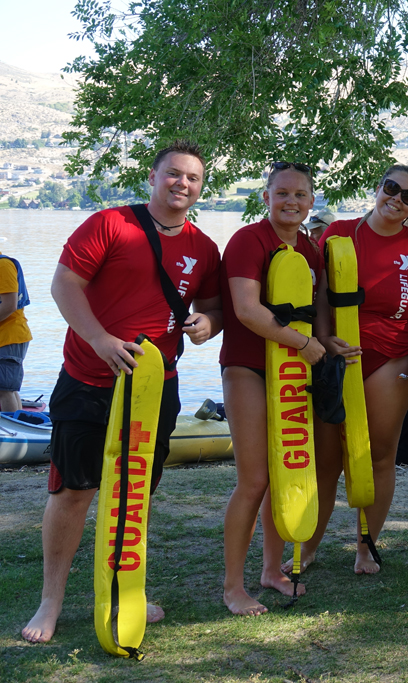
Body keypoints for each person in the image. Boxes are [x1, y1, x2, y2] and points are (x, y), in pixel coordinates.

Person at [22, 140, 222, 642]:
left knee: (133, 497)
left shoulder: (203, 248)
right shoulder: (109, 224)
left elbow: (213, 308)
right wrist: (100, 339)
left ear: (201, 188)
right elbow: (64, 285)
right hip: (88, 381)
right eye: (173, 173)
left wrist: (207, 325)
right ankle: (50, 601)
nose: (182, 183)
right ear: (153, 177)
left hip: (156, 389)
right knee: (73, 492)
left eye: (193, 178)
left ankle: (123, 590)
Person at [302, 164, 408, 575]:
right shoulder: (339, 232)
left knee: (379, 454)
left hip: (392, 357)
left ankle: (366, 548)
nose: (397, 199)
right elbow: (320, 295)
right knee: (327, 459)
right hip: (338, 356)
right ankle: (308, 547)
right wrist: (324, 338)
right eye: (392, 188)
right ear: (378, 187)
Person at [219, 162, 327, 616]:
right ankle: (233, 587)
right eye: (282, 193)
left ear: (311, 202)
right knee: (255, 480)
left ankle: (270, 570)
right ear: (266, 197)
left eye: (300, 195)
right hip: (248, 367)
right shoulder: (248, 240)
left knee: (285, 471)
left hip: (294, 371)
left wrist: (327, 342)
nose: (291, 202)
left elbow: (316, 308)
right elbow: (246, 310)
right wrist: (303, 343)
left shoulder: (311, 248)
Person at [0, 249, 32, 411]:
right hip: (6, 338)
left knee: (4, 389)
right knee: (8, 388)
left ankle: (11, 426)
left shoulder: (3, 265)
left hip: (9, 337)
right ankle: (17, 420)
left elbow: (9, 305)